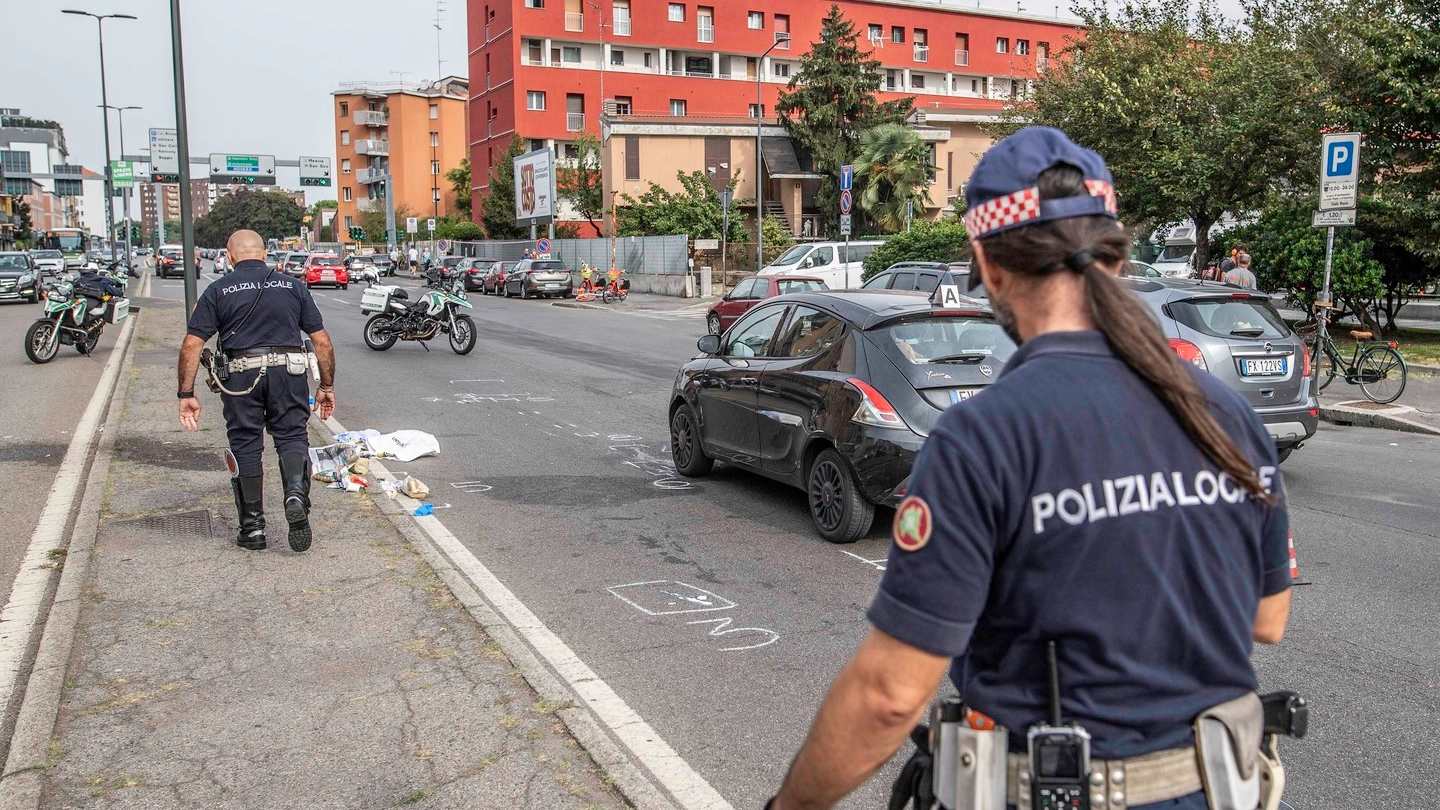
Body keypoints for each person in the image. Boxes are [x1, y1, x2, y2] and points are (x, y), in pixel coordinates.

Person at [765, 128, 1291, 810]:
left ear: (987, 264)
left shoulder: (981, 438)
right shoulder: (1225, 412)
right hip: (1219, 790)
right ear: (1113, 246)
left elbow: (890, 696)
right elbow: (1266, 617)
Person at [176, 229, 337, 553]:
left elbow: (192, 345)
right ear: (265, 255)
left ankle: (252, 530)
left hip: (239, 376)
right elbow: (321, 342)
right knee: (292, 436)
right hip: (288, 372)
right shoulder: (293, 286)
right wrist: (326, 386)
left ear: (230, 256)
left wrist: (186, 394)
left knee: (246, 445)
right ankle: (295, 493)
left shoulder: (218, 290)